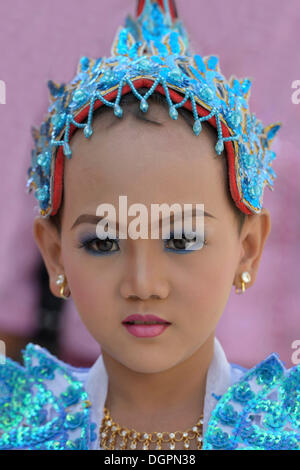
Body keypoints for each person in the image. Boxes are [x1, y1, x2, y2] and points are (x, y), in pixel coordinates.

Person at [0, 0, 299, 451]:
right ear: (55, 253)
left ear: (249, 248)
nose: (143, 284)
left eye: (181, 239)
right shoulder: (22, 428)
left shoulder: (283, 434)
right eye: (103, 242)